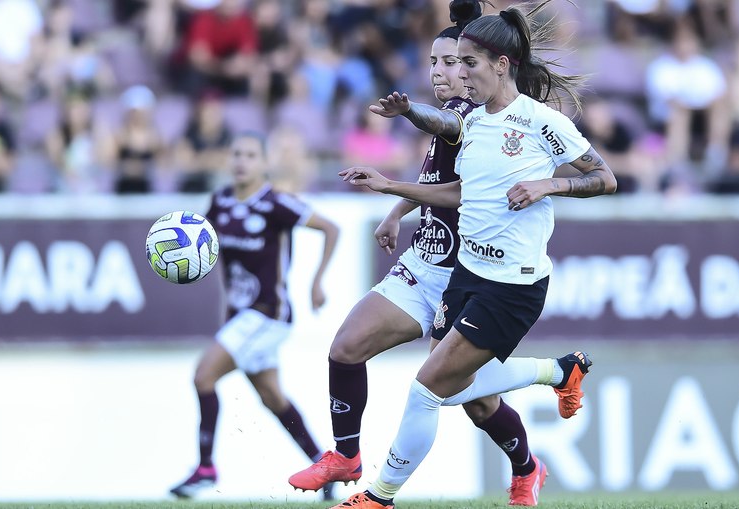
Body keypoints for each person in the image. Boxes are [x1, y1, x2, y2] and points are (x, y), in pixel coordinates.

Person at [289, 1, 595, 507]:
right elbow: (445, 181)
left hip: (478, 271)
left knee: (462, 396)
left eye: (454, 62)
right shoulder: (463, 117)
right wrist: (395, 206)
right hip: (430, 263)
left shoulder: (485, 114)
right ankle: (346, 457)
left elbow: (458, 150)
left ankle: (526, 456)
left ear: (486, 65)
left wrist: (409, 114)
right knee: (348, 347)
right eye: (435, 63)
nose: (442, 72)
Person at [169, 132, 340, 501]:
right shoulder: (220, 201)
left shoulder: (277, 203)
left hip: (267, 313)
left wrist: (316, 282)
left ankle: (204, 468)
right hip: (240, 317)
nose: (242, 161)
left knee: (203, 376)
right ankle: (324, 468)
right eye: (236, 154)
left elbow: (330, 228)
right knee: (273, 398)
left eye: (250, 154)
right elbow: (204, 250)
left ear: (263, 163)